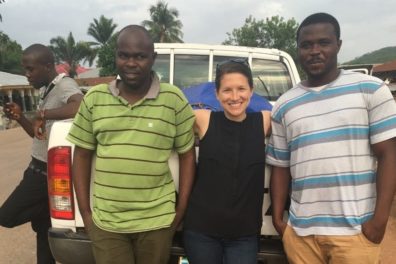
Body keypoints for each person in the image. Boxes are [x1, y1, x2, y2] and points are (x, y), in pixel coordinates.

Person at [267, 12, 396, 264]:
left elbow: (389, 154)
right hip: (302, 235)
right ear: (298, 50)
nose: (314, 50)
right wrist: (280, 222)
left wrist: (378, 222)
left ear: (338, 45)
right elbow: (280, 167)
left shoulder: (370, 89)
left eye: (323, 42)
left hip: (356, 233)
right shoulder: (284, 104)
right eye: (306, 45)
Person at [67, 25, 196, 264]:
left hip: (157, 221)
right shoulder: (95, 99)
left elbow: (188, 155)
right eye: (124, 55)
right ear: (115, 56)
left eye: (140, 56)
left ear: (153, 58)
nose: (131, 63)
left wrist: (180, 212)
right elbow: (82, 155)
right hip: (107, 224)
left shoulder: (174, 100)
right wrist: (86, 214)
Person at [0, 44, 83, 264]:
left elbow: (79, 106)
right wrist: (20, 118)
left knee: (6, 216)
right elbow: (38, 136)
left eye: (30, 69)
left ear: (47, 66)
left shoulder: (65, 84)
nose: (27, 75)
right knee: (44, 237)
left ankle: (43, 208)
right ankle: (44, 211)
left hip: (43, 175)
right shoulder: (47, 89)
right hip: (37, 169)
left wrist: (43, 114)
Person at [183, 59, 271, 264]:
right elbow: (165, 117)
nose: (234, 97)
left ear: (251, 90)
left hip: (245, 234)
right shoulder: (203, 119)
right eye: (227, 90)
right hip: (201, 231)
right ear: (216, 94)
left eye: (241, 89)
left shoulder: (264, 121)